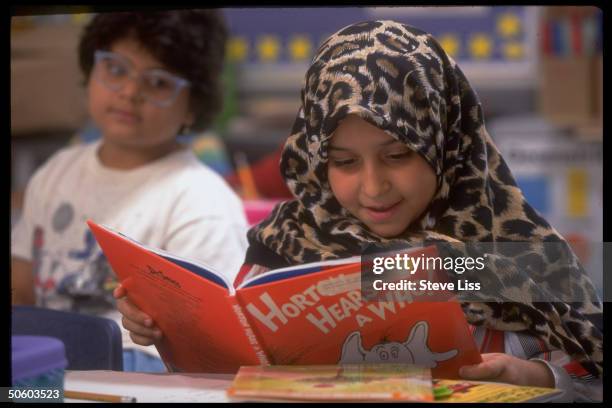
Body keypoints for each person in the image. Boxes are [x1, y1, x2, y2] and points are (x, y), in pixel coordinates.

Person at [114, 20, 602, 400]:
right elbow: (231, 373)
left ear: (446, 143)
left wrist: (537, 378)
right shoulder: (290, 243)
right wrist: (171, 334)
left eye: (398, 155)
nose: (373, 187)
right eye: (343, 162)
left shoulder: (508, 253)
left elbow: (591, 376)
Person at [11, 10, 248, 372]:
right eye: (116, 69)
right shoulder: (56, 173)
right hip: (49, 376)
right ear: (91, 70)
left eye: (158, 83)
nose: (130, 92)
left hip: (138, 379)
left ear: (194, 106)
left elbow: (209, 351)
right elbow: (21, 286)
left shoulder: (201, 201)